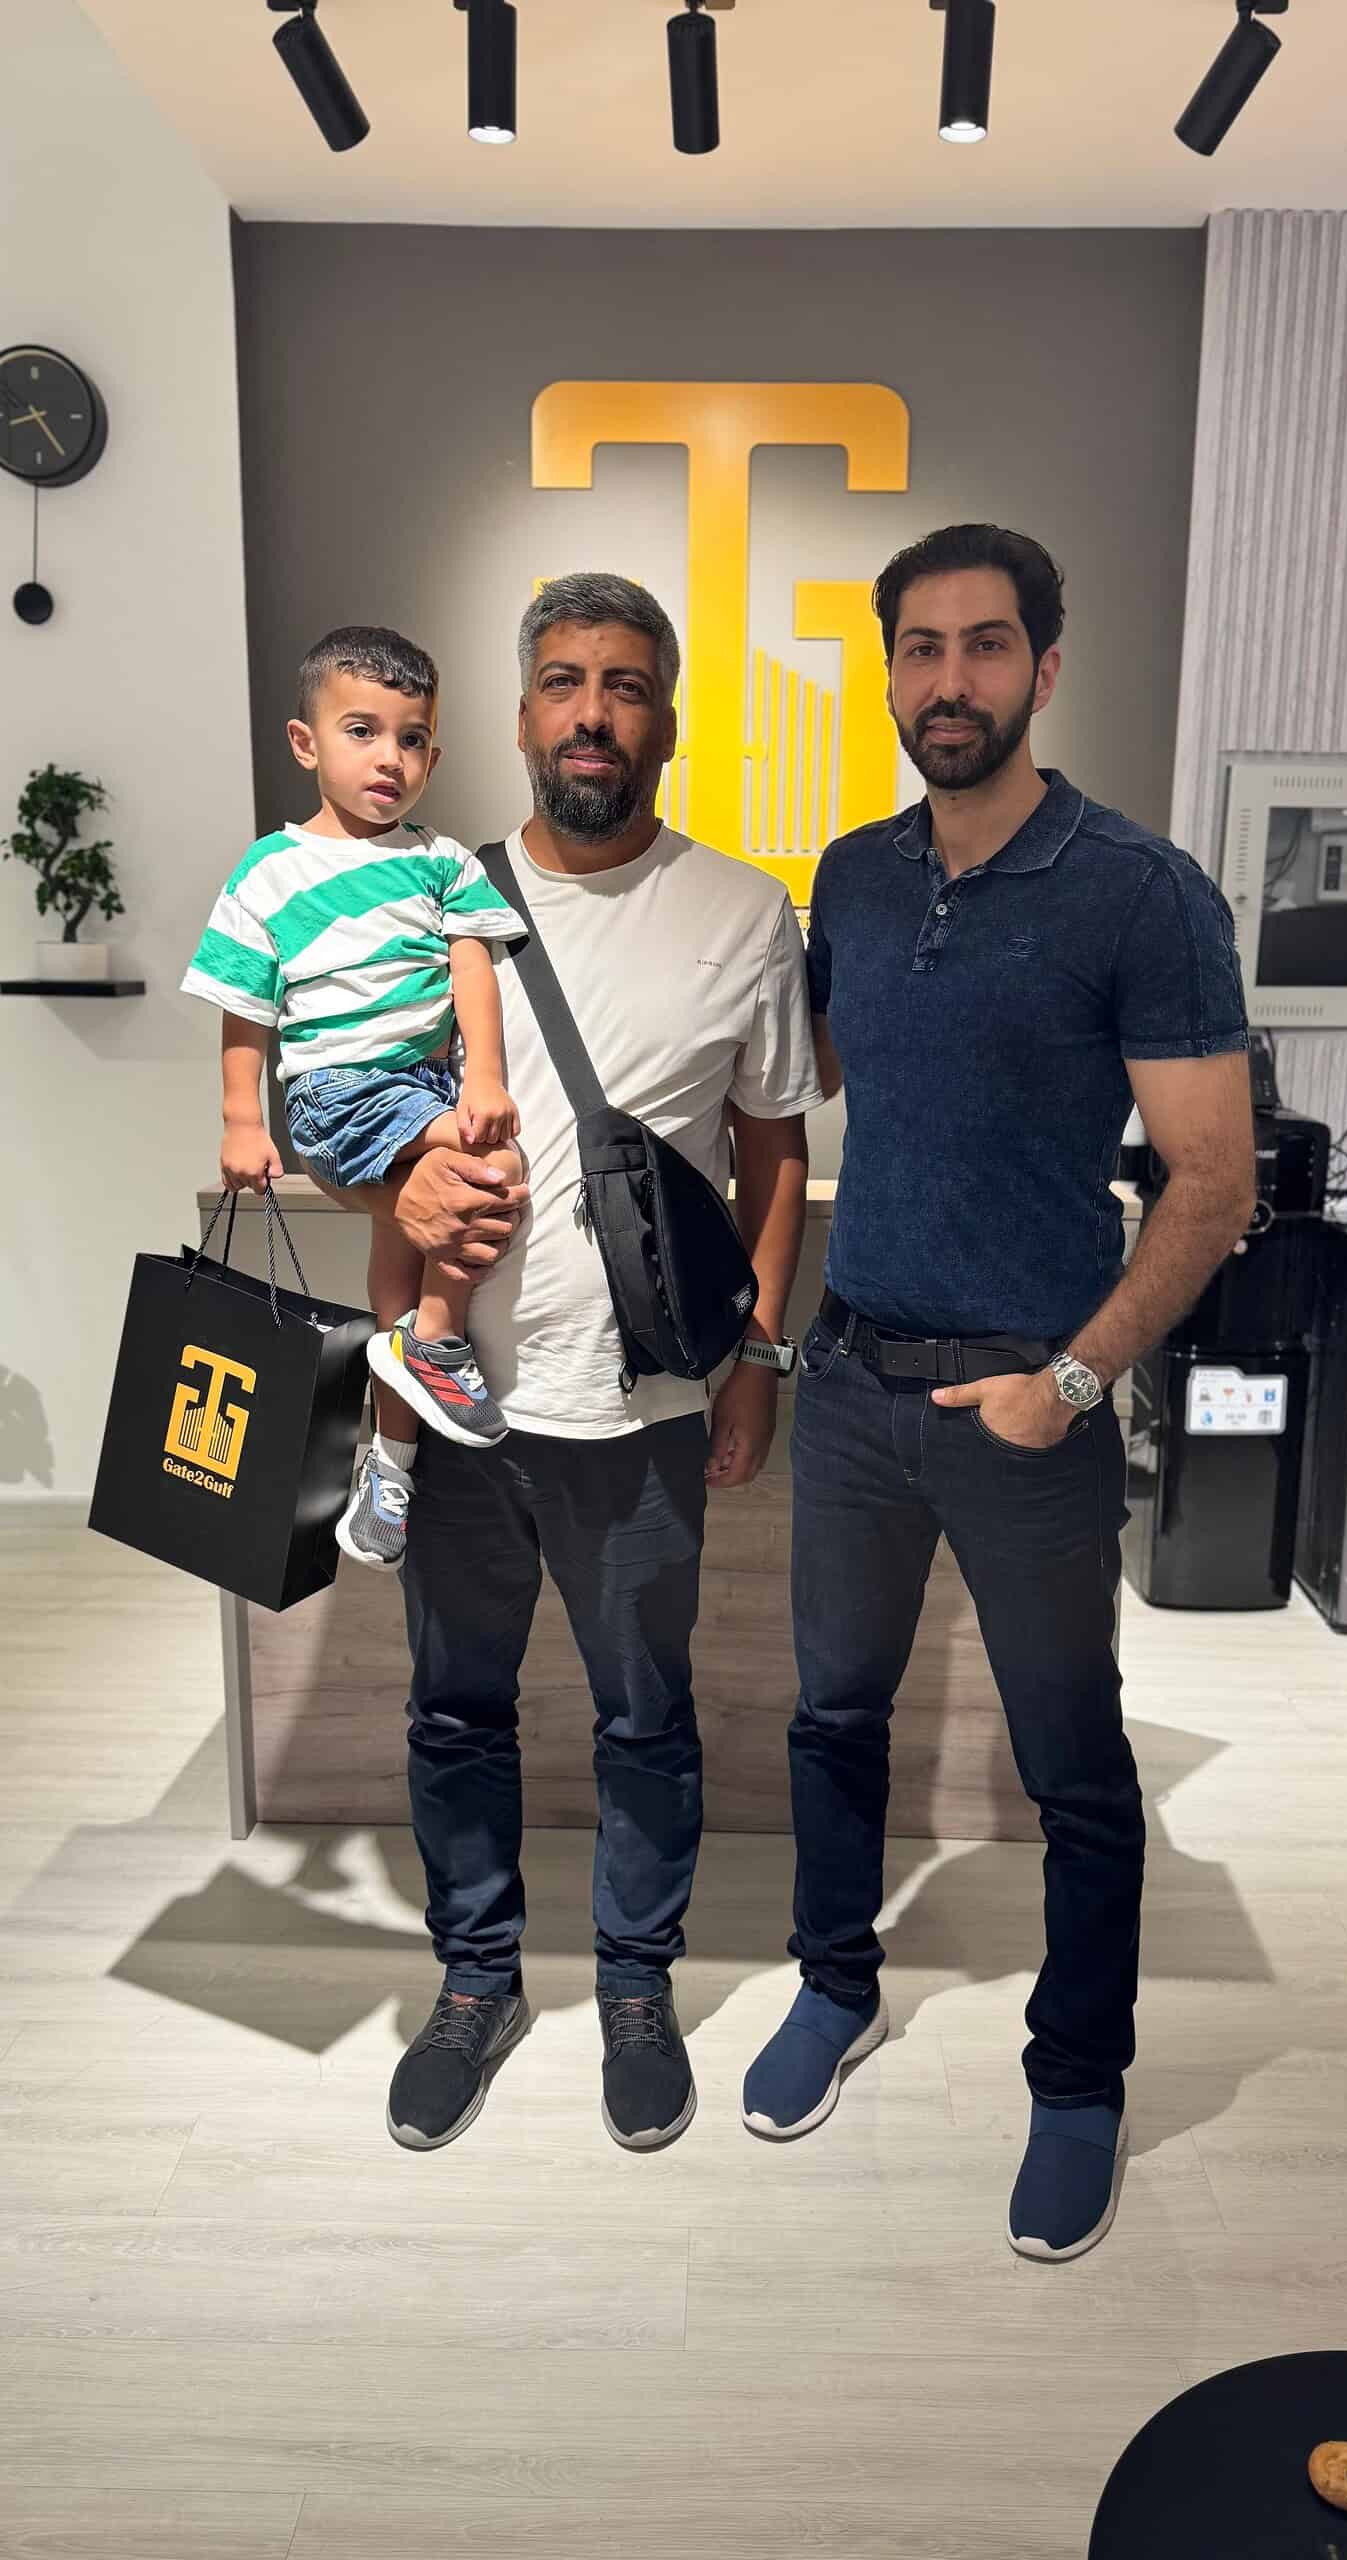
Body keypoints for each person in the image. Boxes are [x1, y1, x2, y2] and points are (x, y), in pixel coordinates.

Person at [742, 523, 1256, 2262]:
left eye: (981, 646)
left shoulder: (1140, 893)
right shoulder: (856, 877)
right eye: (919, 649)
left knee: (1073, 1768)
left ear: (1043, 666)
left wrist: (1076, 1381)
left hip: (1027, 1409)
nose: (946, 680)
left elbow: (1211, 1184)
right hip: (854, 1384)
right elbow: (796, 1074)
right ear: (888, 674)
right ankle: (836, 1984)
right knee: (834, 1720)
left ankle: (1079, 2077)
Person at [337, 574, 822, 2156]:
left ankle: (633, 1983)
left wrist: (757, 1357)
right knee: (455, 1710)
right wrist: (390, 1193)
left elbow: (772, 1154)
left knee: (644, 1716)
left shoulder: (742, 913)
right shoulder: (430, 899)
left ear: (666, 718)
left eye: (623, 684)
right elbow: (335, 1108)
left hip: (644, 1407)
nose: (592, 713)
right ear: (522, 714)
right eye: (562, 682)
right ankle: (475, 1982)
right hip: (457, 1400)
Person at [182, 626, 527, 1570]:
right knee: (491, 1168)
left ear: (434, 758)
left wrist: (484, 1077)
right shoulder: (269, 870)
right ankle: (437, 1343)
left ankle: (391, 1467)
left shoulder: (443, 860)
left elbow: (473, 972)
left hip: (426, 1085)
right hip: (339, 1091)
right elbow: (245, 1007)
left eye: (412, 739)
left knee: (410, 1247)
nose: (390, 758)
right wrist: (242, 1122)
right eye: (363, 731)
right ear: (307, 743)